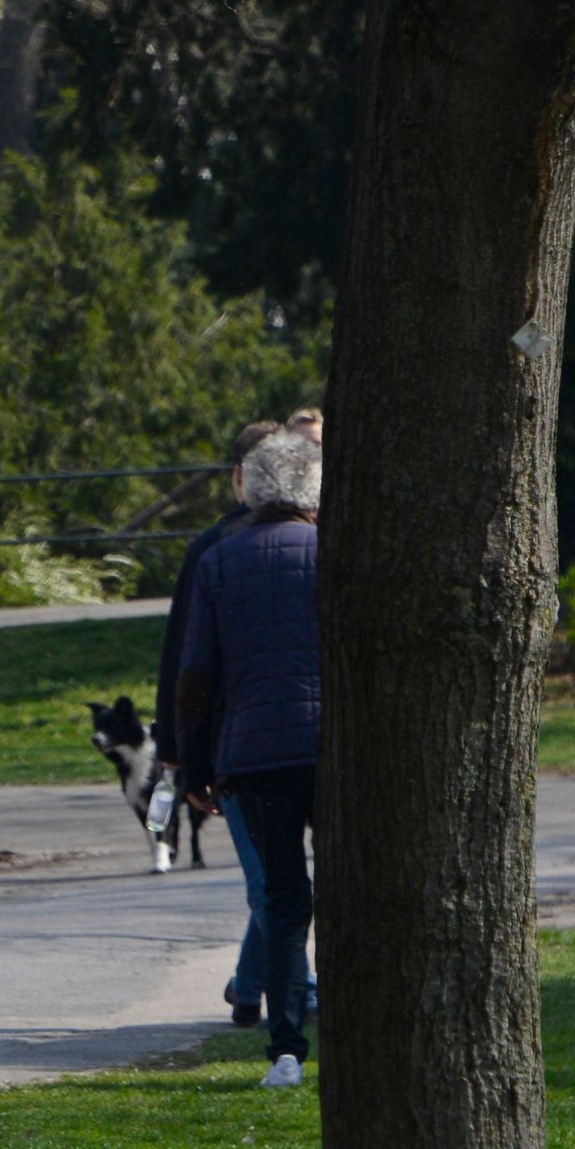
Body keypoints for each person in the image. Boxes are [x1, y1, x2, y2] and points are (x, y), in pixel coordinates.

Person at [179, 430, 325, 1089]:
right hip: (328, 747)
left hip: (252, 755)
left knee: (283, 900)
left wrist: (195, 765)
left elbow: (197, 676)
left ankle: (286, 1047)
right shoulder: (329, 553)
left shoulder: (218, 560)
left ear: (252, 489)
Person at [159, 419, 288, 1025]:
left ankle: (252, 982)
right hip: (253, 740)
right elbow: (185, 661)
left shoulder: (218, 550)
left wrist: (181, 750)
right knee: (275, 882)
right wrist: (177, 746)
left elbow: (184, 664)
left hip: (246, 739)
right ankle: (285, 987)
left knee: (274, 880)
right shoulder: (214, 550)